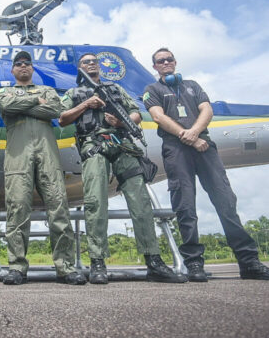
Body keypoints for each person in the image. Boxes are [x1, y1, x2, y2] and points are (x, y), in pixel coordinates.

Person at [143, 47, 269, 281]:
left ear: (175, 62)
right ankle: (194, 264)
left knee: (226, 201)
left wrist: (196, 134)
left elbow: (207, 110)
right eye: (161, 61)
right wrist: (185, 136)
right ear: (155, 67)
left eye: (169, 59)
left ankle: (249, 262)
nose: (166, 62)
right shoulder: (152, 89)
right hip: (176, 149)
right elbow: (158, 116)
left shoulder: (193, 86)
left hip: (204, 146)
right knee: (185, 207)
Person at [59, 53, 186, 284]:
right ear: (80, 69)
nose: (91, 64)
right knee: (95, 202)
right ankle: (98, 261)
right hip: (93, 145)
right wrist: (87, 104)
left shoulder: (115, 89)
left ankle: (153, 260)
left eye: (94, 61)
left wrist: (122, 121)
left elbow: (136, 112)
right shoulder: (73, 93)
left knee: (140, 200)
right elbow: (62, 118)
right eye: (86, 62)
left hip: (122, 143)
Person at [0, 51, 85, 285]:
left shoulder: (48, 91)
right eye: (19, 64)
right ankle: (17, 267)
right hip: (18, 154)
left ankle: (65, 267)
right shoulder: (5, 92)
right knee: (18, 208)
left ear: (32, 69)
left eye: (27, 63)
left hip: (47, 153)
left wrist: (23, 106)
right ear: (13, 70)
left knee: (58, 206)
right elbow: (7, 105)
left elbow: (54, 111)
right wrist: (35, 101)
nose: (23, 66)